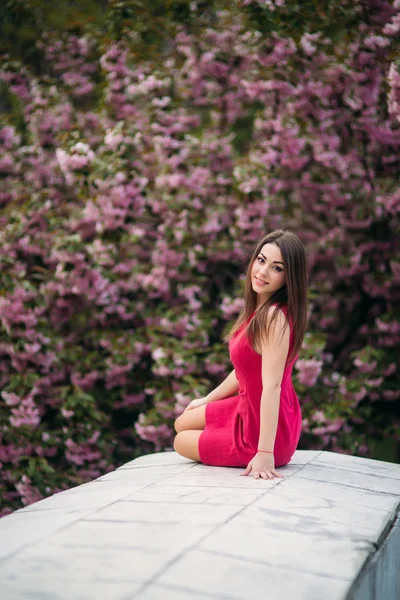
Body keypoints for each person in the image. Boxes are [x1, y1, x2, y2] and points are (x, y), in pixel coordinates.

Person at [173, 229, 308, 480]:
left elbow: (272, 387)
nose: (263, 272)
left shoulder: (273, 317)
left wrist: (265, 452)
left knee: (181, 442)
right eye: (261, 260)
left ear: (290, 278)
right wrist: (207, 399)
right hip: (246, 407)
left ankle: (263, 447)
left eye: (277, 268)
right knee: (181, 423)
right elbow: (245, 369)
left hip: (264, 430)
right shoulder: (259, 310)